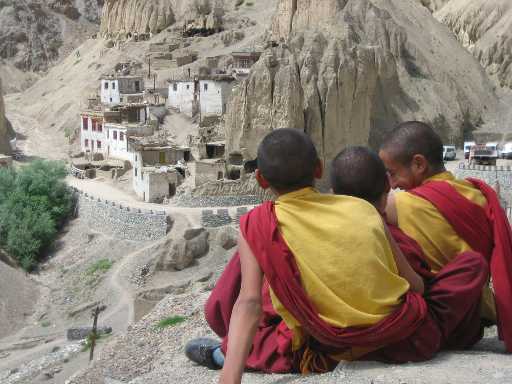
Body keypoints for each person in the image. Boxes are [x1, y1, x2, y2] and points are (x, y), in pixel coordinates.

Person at [185, 129, 486, 383]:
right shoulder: (364, 209)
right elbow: (417, 288)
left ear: (261, 180)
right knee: (471, 266)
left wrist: (229, 379)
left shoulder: (258, 222)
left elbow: (249, 303)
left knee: (272, 340)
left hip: (331, 346)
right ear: (318, 169)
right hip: (404, 338)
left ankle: (222, 354)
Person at [379, 121, 512, 352]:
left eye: (392, 173)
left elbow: (364, 208)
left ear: (419, 164)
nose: (392, 184)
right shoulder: (478, 195)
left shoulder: (404, 204)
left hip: (434, 320)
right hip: (473, 315)